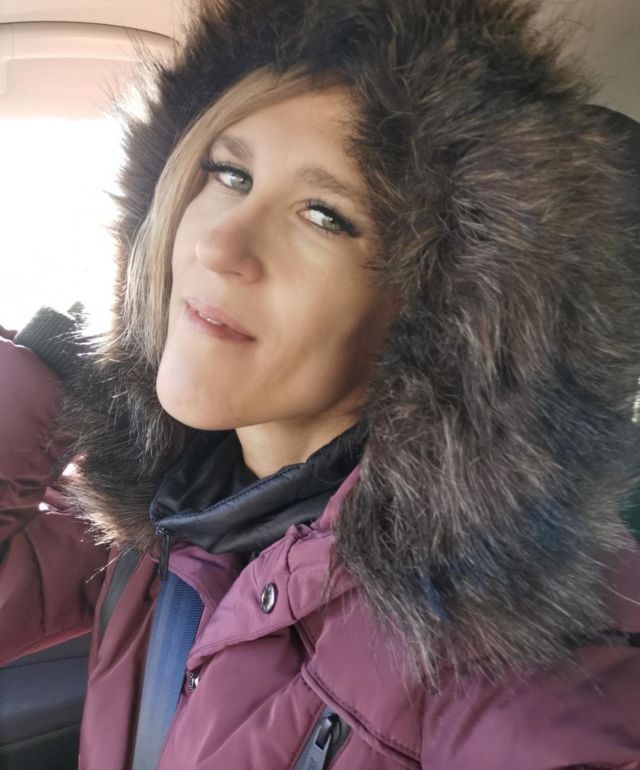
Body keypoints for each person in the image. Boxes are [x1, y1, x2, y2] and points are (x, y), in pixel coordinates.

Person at [1, 0, 640, 768]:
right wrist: (48, 366)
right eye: (229, 173)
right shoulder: (172, 503)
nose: (219, 245)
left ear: (442, 314)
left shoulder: (506, 643)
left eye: (324, 215)